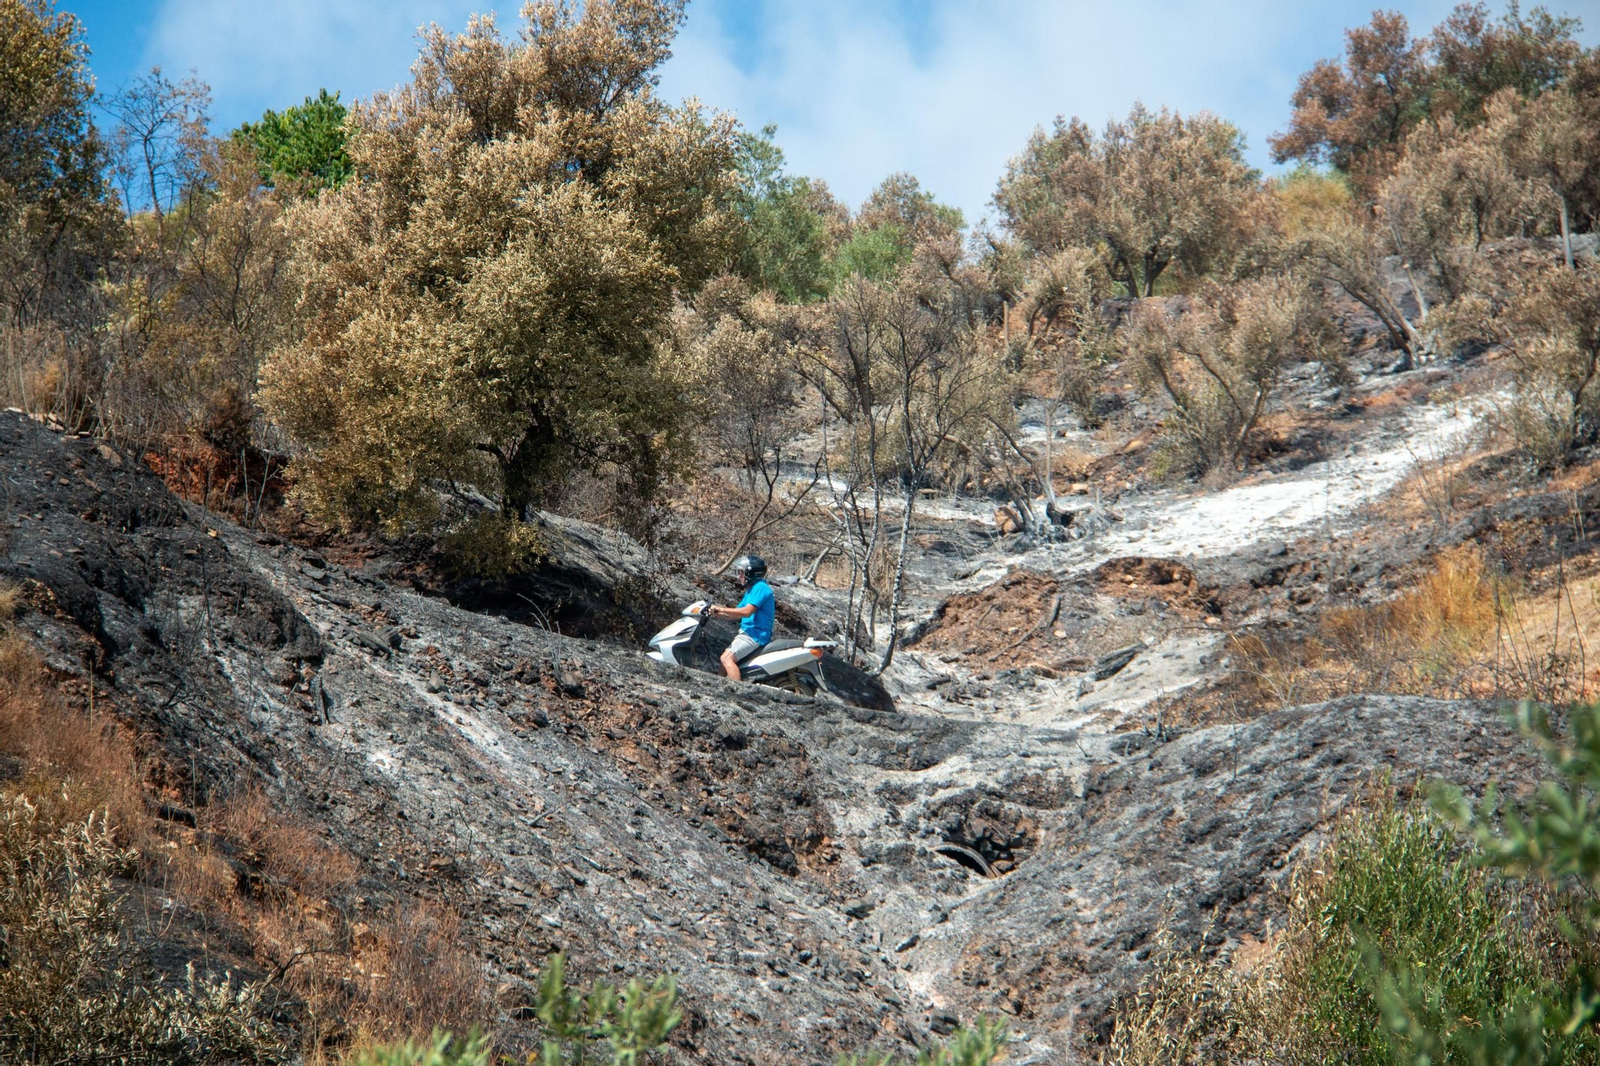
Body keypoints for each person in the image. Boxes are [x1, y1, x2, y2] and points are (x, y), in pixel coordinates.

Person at [707, 554, 774, 681]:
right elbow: (736, 613)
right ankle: (720, 688)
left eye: (742, 573)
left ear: (751, 573)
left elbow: (747, 612)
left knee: (727, 658)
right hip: (747, 633)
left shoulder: (761, 588)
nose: (739, 576)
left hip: (755, 634)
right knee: (723, 663)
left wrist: (721, 609)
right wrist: (715, 613)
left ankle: (738, 691)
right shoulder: (752, 589)